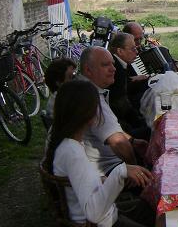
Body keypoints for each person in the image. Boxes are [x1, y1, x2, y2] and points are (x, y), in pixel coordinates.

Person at [43, 79, 154, 227]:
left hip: (108, 213)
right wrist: (121, 171)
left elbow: (84, 182)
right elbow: (94, 214)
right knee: (163, 211)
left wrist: (109, 179)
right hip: (101, 222)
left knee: (155, 206)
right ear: (88, 114)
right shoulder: (71, 151)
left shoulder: (68, 142)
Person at [80, 46, 148, 175]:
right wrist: (136, 168)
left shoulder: (85, 88)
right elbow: (118, 143)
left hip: (106, 165)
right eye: (105, 65)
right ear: (88, 70)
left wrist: (133, 141)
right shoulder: (90, 99)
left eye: (113, 63)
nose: (114, 69)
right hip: (105, 172)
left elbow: (112, 129)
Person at [107, 32, 151, 141]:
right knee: (152, 130)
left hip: (118, 119)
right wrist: (140, 122)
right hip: (118, 126)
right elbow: (120, 104)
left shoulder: (119, 63)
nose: (137, 52)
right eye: (133, 49)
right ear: (120, 51)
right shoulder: (116, 69)